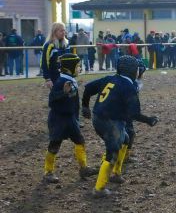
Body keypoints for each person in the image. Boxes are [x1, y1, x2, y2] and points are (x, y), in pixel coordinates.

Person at [81, 55, 159, 197]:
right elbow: (134, 114)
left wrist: (85, 106)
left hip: (98, 117)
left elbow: (88, 88)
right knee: (112, 152)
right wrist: (149, 120)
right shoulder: (128, 87)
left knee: (126, 139)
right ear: (133, 70)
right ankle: (99, 188)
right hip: (110, 122)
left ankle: (116, 173)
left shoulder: (110, 78)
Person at [43, 53, 97, 183]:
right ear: (69, 68)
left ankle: (84, 168)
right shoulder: (61, 82)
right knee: (54, 145)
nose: (80, 69)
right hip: (58, 120)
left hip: (70, 119)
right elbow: (52, 101)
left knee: (80, 141)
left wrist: (79, 114)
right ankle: (48, 172)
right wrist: (63, 92)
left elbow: (73, 100)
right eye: (78, 66)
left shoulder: (70, 80)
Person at [41, 22, 71, 88]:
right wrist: (47, 78)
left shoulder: (67, 44)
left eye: (64, 30)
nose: (63, 32)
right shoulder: (49, 45)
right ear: (54, 32)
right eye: (61, 31)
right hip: (54, 77)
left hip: (66, 76)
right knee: (56, 96)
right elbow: (44, 63)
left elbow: (70, 60)